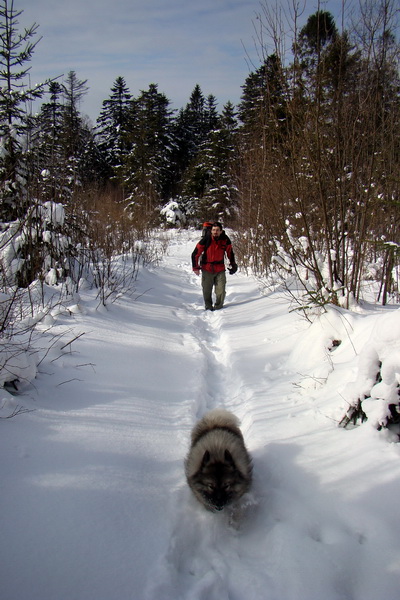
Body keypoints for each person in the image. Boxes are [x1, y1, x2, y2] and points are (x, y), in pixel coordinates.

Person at [191, 222, 238, 311]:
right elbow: (195, 254)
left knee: (221, 291)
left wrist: (233, 264)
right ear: (211, 231)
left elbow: (230, 253)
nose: (215, 232)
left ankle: (219, 307)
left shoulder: (225, 240)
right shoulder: (206, 239)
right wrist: (195, 267)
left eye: (217, 230)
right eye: (213, 230)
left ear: (221, 231)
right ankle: (208, 307)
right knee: (206, 290)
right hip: (207, 268)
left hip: (220, 269)